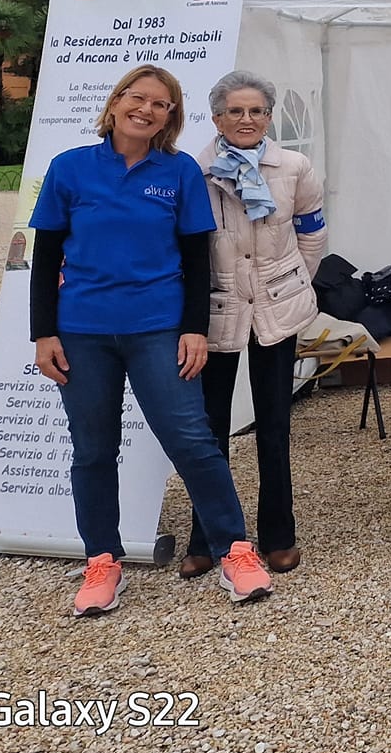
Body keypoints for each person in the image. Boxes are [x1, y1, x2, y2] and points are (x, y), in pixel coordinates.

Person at [29, 65, 273, 616]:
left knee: (191, 440)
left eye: (161, 104)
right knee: (93, 449)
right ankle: (102, 562)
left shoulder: (180, 171)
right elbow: (45, 257)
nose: (147, 109)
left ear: (171, 117)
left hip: (158, 328)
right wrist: (43, 333)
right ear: (116, 103)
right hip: (82, 331)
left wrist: (194, 328)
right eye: (137, 98)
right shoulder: (69, 169)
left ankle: (234, 550)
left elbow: (195, 257)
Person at [179, 70, 327, 582]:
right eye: (235, 111)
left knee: (274, 425)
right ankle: (211, 535)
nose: (247, 120)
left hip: (276, 307)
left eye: (257, 111)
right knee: (209, 428)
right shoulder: (192, 169)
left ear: (269, 117)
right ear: (217, 116)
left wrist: (289, 285)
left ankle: (279, 534)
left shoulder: (294, 167)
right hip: (217, 308)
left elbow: (311, 232)